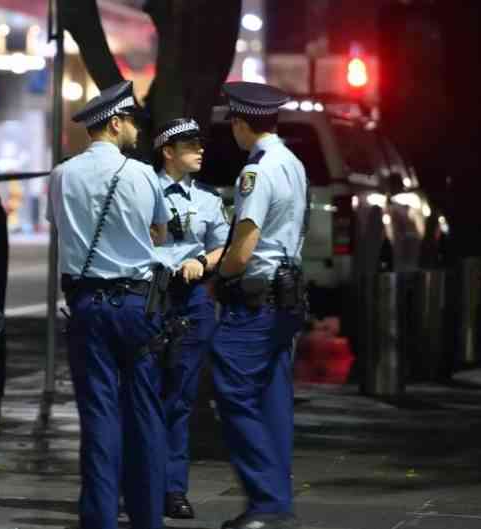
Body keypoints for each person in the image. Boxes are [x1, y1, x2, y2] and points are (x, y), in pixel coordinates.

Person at [47, 79, 171, 529]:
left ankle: (99, 517)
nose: (136, 128)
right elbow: (159, 235)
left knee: (98, 415)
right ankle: (146, 516)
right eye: (132, 120)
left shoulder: (62, 174)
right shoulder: (142, 175)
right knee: (145, 412)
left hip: (86, 306)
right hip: (137, 306)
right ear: (115, 123)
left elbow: (59, 227)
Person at [211, 81, 308, 529]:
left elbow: (244, 248)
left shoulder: (258, 171)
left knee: (233, 391)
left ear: (241, 122)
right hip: (287, 296)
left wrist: (219, 277)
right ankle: (277, 500)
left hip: (256, 301)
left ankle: (267, 502)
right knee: (272, 399)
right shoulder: (292, 162)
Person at [151, 118, 229, 519]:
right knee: (145, 396)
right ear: (168, 151)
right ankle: (143, 484)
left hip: (192, 301)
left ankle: (173, 489)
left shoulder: (209, 199)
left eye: (200, 144)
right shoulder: (143, 190)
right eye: (190, 145)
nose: (200, 151)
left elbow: (223, 245)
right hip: (151, 297)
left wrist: (201, 260)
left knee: (180, 399)